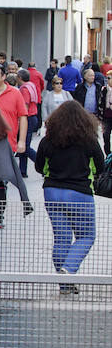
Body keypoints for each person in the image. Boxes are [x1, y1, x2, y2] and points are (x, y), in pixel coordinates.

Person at [36, 101, 105, 294]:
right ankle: (69, 269)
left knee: (62, 239)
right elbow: (101, 167)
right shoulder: (89, 141)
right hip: (79, 193)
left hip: (52, 193)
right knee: (86, 236)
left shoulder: (48, 140)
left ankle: (65, 284)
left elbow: (39, 167)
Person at [17, 69, 39, 177]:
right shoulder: (31, 85)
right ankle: (22, 170)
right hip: (32, 116)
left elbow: (24, 105)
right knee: (23, 146)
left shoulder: (24, 89)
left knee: (25, 146)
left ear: (20, 78)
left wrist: (20, 120)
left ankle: (41, 164)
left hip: (28, 118)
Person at [100, 71, 112, 155]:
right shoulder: (104, 89)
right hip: (106, 116)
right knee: (106, 135)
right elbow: (100, 102)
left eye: (109, 78)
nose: (107, 80)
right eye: (106, 78)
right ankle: (108, 154)